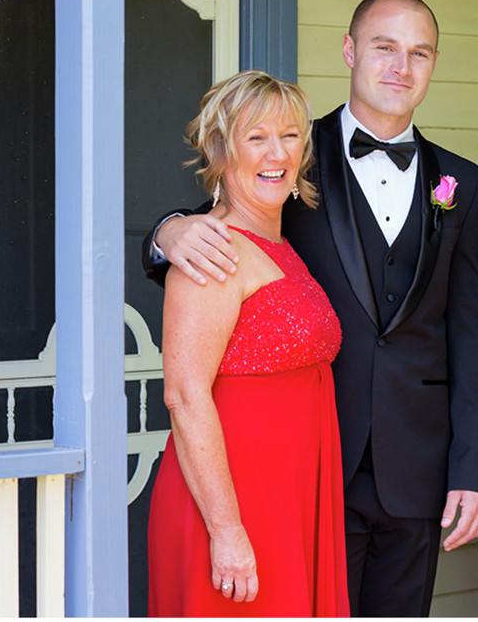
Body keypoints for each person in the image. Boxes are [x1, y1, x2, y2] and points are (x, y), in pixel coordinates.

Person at [146, 0, 478, 617]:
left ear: (433, 64)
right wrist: (166, 232)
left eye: (418, 53)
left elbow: (472, 336)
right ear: (349, 51)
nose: (401, 66)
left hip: (416, 470)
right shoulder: (293, 155)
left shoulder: (462, 183)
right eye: (384, 47)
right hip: (312, 472)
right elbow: (217, 228)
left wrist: (472, 470)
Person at [146, 70, 350, 617]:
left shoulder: (280, 241)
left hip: (290, 494)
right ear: (221, 150)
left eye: (289, 135)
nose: (276, 152)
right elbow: (184, 396)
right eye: (256, 137)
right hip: (232, 502)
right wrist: (227, 529)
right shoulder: (210, 249)